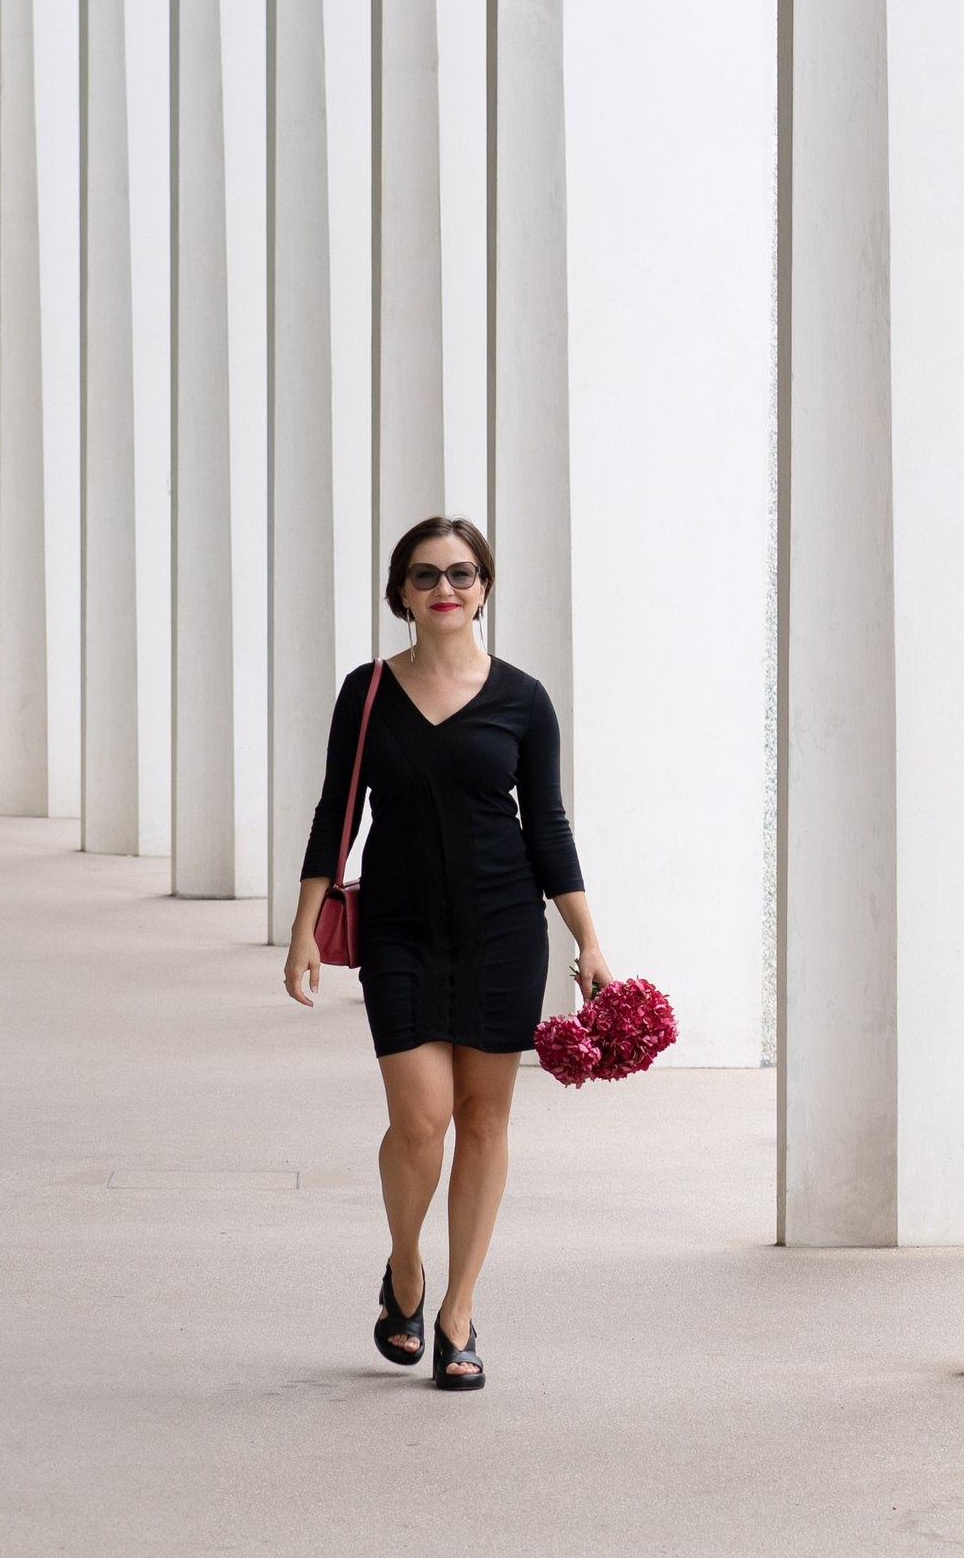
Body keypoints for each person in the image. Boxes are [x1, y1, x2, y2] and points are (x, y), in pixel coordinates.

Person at [283, 516, 608, 1393]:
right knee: (421, 1120)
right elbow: (335, 811)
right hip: (399, 928)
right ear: (401, 592)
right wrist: (305, 925)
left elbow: (547, 825)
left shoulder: (523, 699)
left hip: (504, 929)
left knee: (486, 1120)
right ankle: (405, 1267)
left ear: (484, 587)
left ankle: (457, 1312)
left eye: (462, 574)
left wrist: (587, 938)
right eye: (425, 575)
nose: (444, 589)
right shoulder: (367, 692)